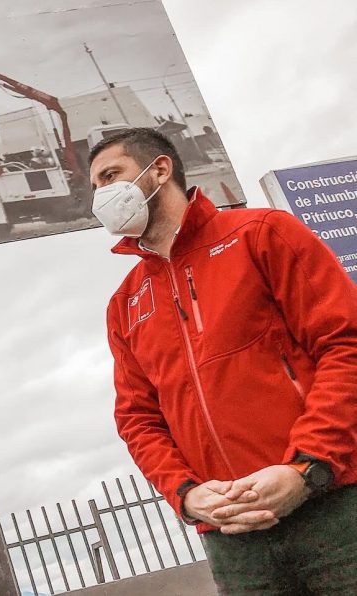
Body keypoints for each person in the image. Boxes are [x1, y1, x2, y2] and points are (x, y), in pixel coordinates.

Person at [89, 128, 357, 594]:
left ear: (160, 170)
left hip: (332, 507)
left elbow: (345, 346)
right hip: (233, 542)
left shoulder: (263, 234)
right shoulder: (125, 303)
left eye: (111, 176)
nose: (101, 196)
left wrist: (307, 466)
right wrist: (188, 494)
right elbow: (137, 419)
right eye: (94, 188)